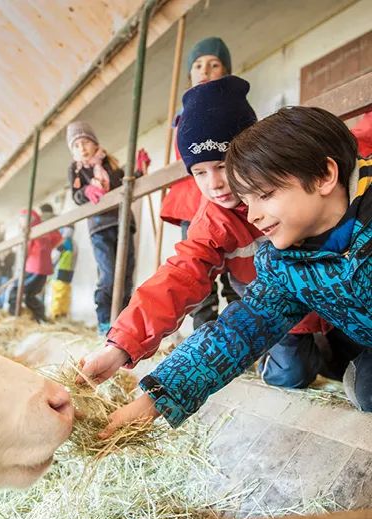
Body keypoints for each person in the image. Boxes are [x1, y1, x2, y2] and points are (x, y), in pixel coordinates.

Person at [96, 106, 371, 435]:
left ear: (325, 176)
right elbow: (237, 331)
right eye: (247, 199)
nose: (252, 215)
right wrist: (152, 401)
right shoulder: (284, 265)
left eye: (265, 194)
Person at [79, 76, 330, 403]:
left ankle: (329, 344)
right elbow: (181, 275)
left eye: (222, 165)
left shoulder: (296, 188)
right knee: (291, 374)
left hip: (336, 305)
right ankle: (291, 353)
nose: (214, 184)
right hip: (276, 315)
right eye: (199, 172)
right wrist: (120, 346)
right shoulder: (214, 218)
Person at [160, 36, 239, 329]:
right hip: (192, 202)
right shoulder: (183, 115)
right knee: (197, 271)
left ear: (226, 71)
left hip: (229, 199)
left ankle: (238, 330)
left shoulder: (235, 107)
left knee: (237, 268)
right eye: (198, 65)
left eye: (214, 64)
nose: (205, 70)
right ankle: (203, 334)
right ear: (190, 74)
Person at [67, 120, 136, 335]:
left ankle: (122, 323)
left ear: (95, 143)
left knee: (125, 274)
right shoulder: (76, 170)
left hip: (123, 222)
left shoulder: (111, 164)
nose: (82, 148)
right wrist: (86, 191)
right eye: (76, 146)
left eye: (85, 142)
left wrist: (139, 170)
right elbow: (76, 196)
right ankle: (105, 321)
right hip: (99, 227)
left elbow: (124, 183)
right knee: (108, 274)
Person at [8, 209, 62, 322]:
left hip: (33, 268)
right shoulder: (46, 230)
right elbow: (58, 239)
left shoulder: (32, 231)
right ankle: (39, 318)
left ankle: (14, 317)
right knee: (30, 296)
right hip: (44, 270)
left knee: (15, 290)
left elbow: (26, 252)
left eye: (22, 220)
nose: (21, 223)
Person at [50, 225, 77, 320]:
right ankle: (63, 314)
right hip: (69, 273)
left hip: (60, 272)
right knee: (65, 293)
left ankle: (56, 315)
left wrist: (50, 267)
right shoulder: (74, 243)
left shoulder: (62, 243)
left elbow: (54, 258)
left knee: (58, 294)